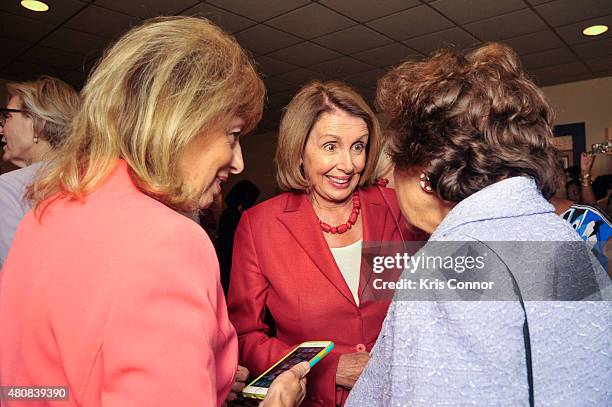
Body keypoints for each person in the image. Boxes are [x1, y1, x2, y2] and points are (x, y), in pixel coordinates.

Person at [0, 17, 306, 407]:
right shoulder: (169, 242)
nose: (239, 163)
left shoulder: (45, 215)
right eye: (232, 136)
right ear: (181, 124)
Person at [347, 43, 611, 405]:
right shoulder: (563, 236)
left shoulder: (448, 264)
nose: (390, 183)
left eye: (394, 166)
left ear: (424, 171)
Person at [227, 81, 426, 406]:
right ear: (299, 150)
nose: (348, 165)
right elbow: (245, 336)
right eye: (330, 146)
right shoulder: (260, 225)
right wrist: (330, 368)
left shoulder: (396, 206)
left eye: (358, 147)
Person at [0, 76, 79, 267]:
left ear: (38, 124)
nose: (1, 128)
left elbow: (16, 274)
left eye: (8, 116)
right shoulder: (95, 180)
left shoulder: (8, 189)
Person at [216, 179, 260, 295]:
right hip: (229, 265)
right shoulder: (232, 216)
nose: (253, 203)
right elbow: (233, 245)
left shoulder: (231, 214)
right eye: (252, 199)